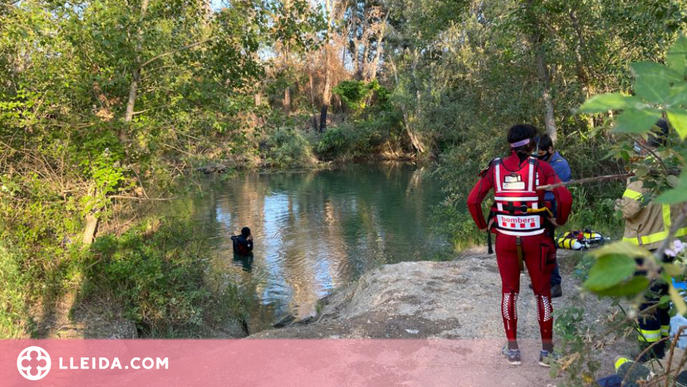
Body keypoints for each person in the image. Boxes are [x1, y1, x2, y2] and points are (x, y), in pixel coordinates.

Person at [467, 124, 573, 366]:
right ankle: (546, 352)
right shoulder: (543, 168)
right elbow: (565, 197)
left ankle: (512, 349)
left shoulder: (495, 169)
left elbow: (473, 200)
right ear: (532, 145)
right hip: (537, 238)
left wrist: (483, 225)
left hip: (505, 238)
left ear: (510, 145)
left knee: (509, 292)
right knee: (543, 294)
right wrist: (560, 220)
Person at [616, 119, 687, 362]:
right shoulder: (678, 163)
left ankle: (648, 354)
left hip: (647, 246)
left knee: (646, 301)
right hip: (673, 244)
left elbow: (629, 208)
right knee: (663, 296)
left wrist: (618, 205)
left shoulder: (644, 169)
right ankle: (664, 347)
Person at [536, 134, 571, 298]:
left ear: (550, 149)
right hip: (540, 208)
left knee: (547, 244)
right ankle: (543, 279)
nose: (539, 157)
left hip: (552, 209)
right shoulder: (542, 162)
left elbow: (546, 188)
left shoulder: (560, 165)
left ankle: (555, 283)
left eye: (542, 154)